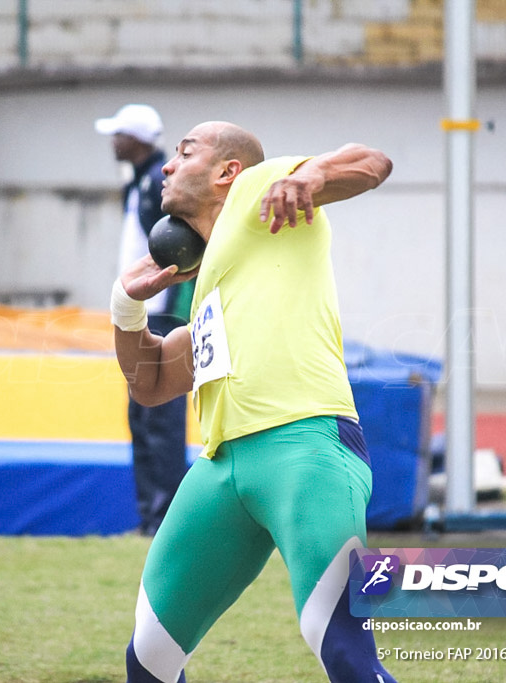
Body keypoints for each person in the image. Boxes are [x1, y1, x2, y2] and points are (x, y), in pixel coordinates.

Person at [109, 120, 396, 682]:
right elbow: (152, 383)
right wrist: (125, 306)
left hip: (304, 447)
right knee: (149, 660)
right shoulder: (216, 286)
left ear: (226, 172)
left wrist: (309, 174)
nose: (166, 165)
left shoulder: (260, 192)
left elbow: (371, 161)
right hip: (220, 473)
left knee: (342, 651)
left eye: (184, 153)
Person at [96, 104, 193, 537]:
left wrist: (172, 313)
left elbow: (179, 252)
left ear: (136, 140)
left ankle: (164, 517)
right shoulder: (136, 182)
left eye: (119, 134)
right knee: (140, 417)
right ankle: (148, 517)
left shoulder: (160, 182)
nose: (113, 142)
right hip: (142, 312)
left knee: (162, 420)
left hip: (164, 314)